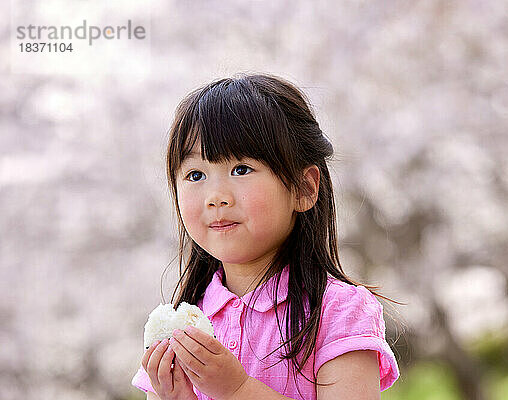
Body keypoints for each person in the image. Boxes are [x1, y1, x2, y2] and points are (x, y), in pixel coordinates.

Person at [131, 73, 401, 400]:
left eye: (241, 169)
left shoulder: (337, 310)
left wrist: (237, 390)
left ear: (304, 188)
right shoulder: (186, 321)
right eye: (195, 174)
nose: (216, 196)